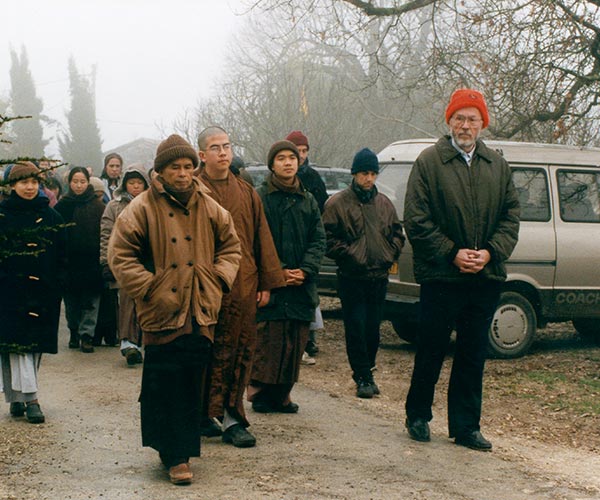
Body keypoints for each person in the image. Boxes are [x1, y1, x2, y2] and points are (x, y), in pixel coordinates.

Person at [108, 134, 241, 485]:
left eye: (187, 167)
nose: (182, 174)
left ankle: (180, 451)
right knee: (162, 383)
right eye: (174, 168)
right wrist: (150, 287)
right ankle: (171, 453)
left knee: (190, 382)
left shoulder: (209, 204)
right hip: (161, 310)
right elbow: (119, 254)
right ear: (161, 171)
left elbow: (231, 245)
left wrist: (217, 279)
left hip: (199, 309)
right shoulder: (142, 207)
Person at [403, 89, 520, 451]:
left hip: (484, 277)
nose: (465, 125)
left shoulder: (497, 165)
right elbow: (417, 219)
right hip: (442, 276)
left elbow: (511, 218)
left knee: (472, 353)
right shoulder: (429, 162)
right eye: (459, 118)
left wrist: (489, 252)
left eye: (472, 119)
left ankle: (466, 426)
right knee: (431, 348)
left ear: (483, 123)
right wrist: (452, 253)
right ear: (448, 121)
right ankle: (418, 415)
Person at [196, 126, 284, 448]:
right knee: (203, 351)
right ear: (202, 155)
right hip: (204, 288)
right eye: (215, 148)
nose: (223, 153)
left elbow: (261, 237)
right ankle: (203, 414)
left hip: (243, 285)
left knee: (239, 350)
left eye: (227, 146)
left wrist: (265, 282)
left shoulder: (246, 192)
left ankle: (233, 419)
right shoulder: (193, 191)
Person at [247, 140, 325, 414]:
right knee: (269, 339)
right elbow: (256, 239)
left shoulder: (309, 199)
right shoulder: (260, 197)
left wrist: (305, 269)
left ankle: (283, 394)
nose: (288, 163)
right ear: (272, 164)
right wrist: (276, 271)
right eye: (281, 158)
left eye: (292, 157)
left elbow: (318, 238)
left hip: (301, 283)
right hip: (272, 282)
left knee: (295, 340)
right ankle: (261, 394)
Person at [323, 148, 404, 399]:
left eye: (372, 173)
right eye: (364, 174)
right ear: (354, 174)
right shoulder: (338, 203)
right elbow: (326, 237)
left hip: (378, 277)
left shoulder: (384, 203)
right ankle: (361, 375)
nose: (368, 179)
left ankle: (368, 368)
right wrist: (350, 255)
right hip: (351, 277)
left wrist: (389, 254)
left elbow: (397, 233)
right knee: (355, 326)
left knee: (373, 328)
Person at [0, 162, 67, 423]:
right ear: (12, 185)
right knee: (16, 346)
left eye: (34, 182)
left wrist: (58, 282)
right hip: (10, 290)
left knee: (34, 346)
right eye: (23, 182)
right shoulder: (3, 215)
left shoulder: (52, 217)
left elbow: (62, 255)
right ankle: (31, 398)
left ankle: (16, 397)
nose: (29, 187)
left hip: (43, 291)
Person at [99, 164, 150, 365]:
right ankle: (129, 344)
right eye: (132, 182)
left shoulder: (154, 205)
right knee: (127, 302)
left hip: (149, 261)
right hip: (125, 260)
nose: (136, 187)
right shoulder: (114, 206)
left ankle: (147, 341)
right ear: (125, 184)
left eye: (139, 183)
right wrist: (106, 261)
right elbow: (106, 234)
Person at [285, 130, 328, 363]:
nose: (300, 156)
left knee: (309, 294)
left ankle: (308, 339)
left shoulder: (312, 178)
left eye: (303, 152)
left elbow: (321, 215)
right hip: (285, 245)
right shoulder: (276, 180)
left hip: (306, 245)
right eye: (296, 151)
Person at [55, 167, 105, 354]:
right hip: (69, 263)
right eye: (75, 181)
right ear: (69, 183)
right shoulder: (62, 206)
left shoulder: (98, 206)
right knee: (71, 303)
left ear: (88, 182)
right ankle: (74, 332)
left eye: (82, 181)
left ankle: (87, 336)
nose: (78, 185)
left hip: (92, 263)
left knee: (91, 302)